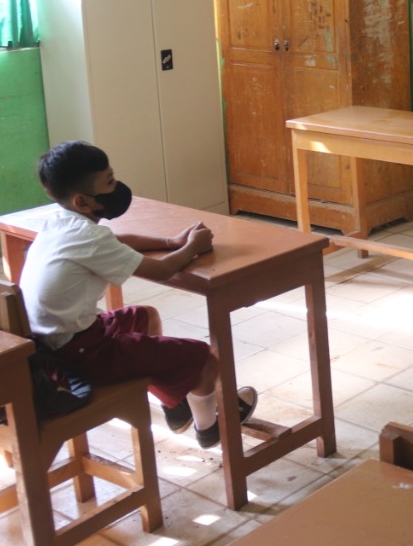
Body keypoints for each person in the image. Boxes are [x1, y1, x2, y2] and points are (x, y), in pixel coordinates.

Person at [19, 141, 259, 449]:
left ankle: (176, 408)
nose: (116, 187)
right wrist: (192, 249)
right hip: (78, 356)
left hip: (54, 345)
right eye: (108, 183)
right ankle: (210, 428)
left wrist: (172, 241)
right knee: (202, 359)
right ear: (82, 202)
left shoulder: (60, 222)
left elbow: (116, 240)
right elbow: (160, 272)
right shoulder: (88, 238)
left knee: (143, 317)